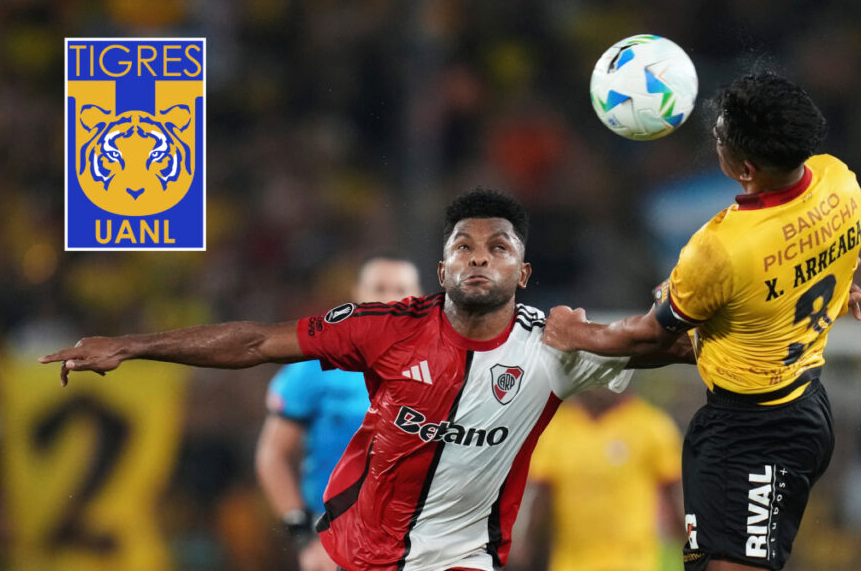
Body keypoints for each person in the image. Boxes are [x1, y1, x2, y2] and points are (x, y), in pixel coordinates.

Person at [39, 189, 695, 571]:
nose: (478, 257)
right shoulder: (385, 327)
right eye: (463, 246)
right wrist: (130, 346)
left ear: (522, 274)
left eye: (499, 248)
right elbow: (256, 340)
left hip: (464, 559)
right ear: (440, 269)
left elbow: (673, 347)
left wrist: (700, 316)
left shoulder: (556, 347)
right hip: (356, 554)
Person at [542, 72, 861, 571]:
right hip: (797, 402)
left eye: (719, 135)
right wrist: (833, 283)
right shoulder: (841, 182)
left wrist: (575, 334)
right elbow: (819, 252)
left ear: (743, 166)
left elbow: (656, 335)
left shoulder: (720, 249)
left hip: (757, 429)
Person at [256, 255, 422, 571]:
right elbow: (272, 454)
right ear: (358, 294)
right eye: (379, 288)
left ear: (418, 298)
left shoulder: (448, 366)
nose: (389, 298)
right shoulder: (318, 363)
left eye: (401, 289)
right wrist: (303, 535)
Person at [516, 388, 684, 571]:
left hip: (633, 563)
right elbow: (541, 502)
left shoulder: (651, 425)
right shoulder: (556, 428)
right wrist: (528, 547)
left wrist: (693, 547)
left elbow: (675, 498)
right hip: (572, 565)